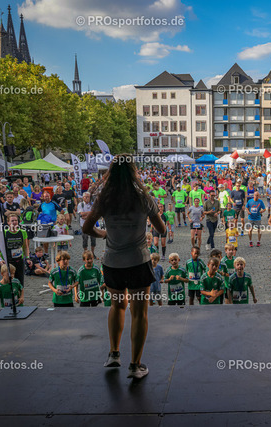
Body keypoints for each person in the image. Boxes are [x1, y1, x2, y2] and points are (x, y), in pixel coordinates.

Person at [83, 154, 166, 379]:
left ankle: (114, 354)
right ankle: (135, 366)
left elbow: (87, 228)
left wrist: (105, 234)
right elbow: (161, 229)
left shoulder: (104, 199)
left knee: (117, 307)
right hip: (138, 262)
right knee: (139, 314)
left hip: (112, 263)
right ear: (133, 172)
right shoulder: (144, 197)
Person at [77, 192, 97, 257]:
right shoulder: (81, 204)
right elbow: (81, 214)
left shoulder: (93, 204)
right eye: (86, 197)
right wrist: (90, 213)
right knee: (85, 239)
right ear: (83, 197)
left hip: (92, 225)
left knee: (93, 240)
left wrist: (86, 215)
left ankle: (92, 253)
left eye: (88, 197)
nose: (87, 198)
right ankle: (86, 253)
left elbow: (95, 214)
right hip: (84, 225)